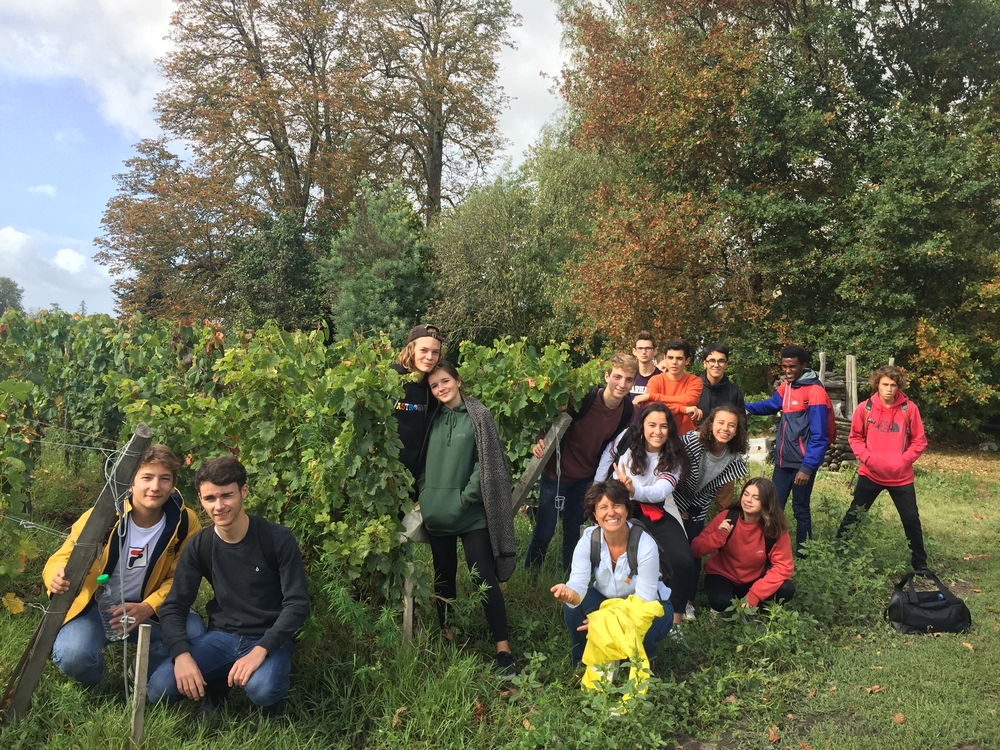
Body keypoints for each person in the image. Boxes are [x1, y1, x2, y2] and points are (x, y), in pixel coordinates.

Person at [147, 457, 310, 716]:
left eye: (227, 496)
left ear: (243, 492)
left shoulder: (276, 539)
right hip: (222, 636)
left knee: (263, 688)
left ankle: (271, 704)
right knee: (158, 689)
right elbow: (174, 606)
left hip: (269, 637)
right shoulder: (200, 545)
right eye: (210, 498)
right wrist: (181, 655)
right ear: (200, 500)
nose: (219, 506)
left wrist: (262, 649)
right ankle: (217, 686)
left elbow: (298, 604)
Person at [42, 445, 204, 687]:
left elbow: (183, 578)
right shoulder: (102, 516)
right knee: (73, 654)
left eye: (164, 479)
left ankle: (139, 673)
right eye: (147, 478)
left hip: (152, 609)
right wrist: (54, 574)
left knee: (194, 635)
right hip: (97, 606)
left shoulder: (184, 523)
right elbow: (63, 556)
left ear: (172, 485)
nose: (155, 487)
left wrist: (148, 607)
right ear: (130, 484)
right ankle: (101, 684)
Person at [419, 361, 518, 676]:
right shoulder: (431, 418)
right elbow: (420, 459)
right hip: (437, 514)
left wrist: (465, 498)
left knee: (483, 578)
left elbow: (486, 462)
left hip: (471, 513)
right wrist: (426, 493)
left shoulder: (479, 416)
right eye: (434, 386)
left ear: (458, 380)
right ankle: (448, 637)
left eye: (445, 381)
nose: (441, 389)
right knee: (443, 578)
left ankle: (503, 651)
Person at [524, 354, 638, 571]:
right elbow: (551, 420)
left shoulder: (627, 411)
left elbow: (610, 445)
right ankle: (530, 575)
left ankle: (570, 576)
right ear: (607, 376)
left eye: (629, 379)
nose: (622, 384)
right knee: (544, 531)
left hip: (585, 478)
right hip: (556, 474)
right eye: (617, 377)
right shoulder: (583, 397)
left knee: (573, 532)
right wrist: (540, 439)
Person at [551, 480, 673, 666]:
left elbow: (643, 602)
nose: (611, 512)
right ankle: (581, 663)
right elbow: (578, 585)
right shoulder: (589, 540)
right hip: (607, 601)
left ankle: (644, 665)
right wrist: (569, 593)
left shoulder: (645, 544)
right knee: (572, 607)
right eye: (603, 507)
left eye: (617, 505)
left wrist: (604, 624)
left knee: (644, 633)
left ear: (626, 509)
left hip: (651, 607)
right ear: (594, 514)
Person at [594, 403, 691, 626]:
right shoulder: (629, 445)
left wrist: (633, 489)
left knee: (683, 558)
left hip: (655, 508)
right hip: (624, 509)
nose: (658, 432)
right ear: (643, 427)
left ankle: (675, 619)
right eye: (652, 425)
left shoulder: (673, 456)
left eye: (664, 426)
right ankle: (617, 609)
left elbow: (661, 490)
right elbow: (611, 463)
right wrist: (600, 489)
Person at [837, 365, 929, 573]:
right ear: (877, 384)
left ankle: (920, 564)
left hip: (901, 477)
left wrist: (903, 461)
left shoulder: (909, 409)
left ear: (899, 387)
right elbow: (855, 437)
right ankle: (838, 552)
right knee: (855, 515)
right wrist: (867, 458)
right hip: (870, 473)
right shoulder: (865, 408)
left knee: (911, 520)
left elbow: (919, 441)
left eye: (893, 385)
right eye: (885, 384)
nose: (889, 389)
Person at [745, 345, 832, 553]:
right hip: (782, 462)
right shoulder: (786, 388)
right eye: (784, 366)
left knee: (800, 509)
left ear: (803, 365)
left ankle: (804, 553)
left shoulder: (815, 392)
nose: (787, 371)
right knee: (774, 507)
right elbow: (770, 405)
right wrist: (745, 406)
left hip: (802, 464)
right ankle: (769, 550)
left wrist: (808, 467)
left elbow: (820, 436)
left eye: (792, 366)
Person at [674, 405, 750, 620]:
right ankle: (664, 597)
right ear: (711, 424)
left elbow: (722, 491)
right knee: (672, 549)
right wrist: (678, 509)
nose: (725, 429)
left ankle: (688, 602)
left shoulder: (733, 456)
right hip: (673, 497)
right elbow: (667, 471)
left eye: (731, 425)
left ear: (737, 431)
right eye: (721, 423)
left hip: (699, 502)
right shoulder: (691, 442)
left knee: (694, 550)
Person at [690, 478, 795, 612]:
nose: (748, 500)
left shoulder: (774, 528)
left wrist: (755, 594)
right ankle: (724, 609)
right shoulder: (727, 517)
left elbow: (784, 567)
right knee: (721, 602)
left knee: (787, 589)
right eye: (746, 494)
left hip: (754, 579)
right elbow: (696, 549)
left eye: (756, 497)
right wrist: (718, 536)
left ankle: (754, 612)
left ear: (767, 502)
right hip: (722, 575)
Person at [391, 324, 444, 485]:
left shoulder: (432, 388)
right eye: (424, 350)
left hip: (413, 478)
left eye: (435, 352)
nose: (429, 357)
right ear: (411, 349)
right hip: (385, 472)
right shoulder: (392, 378)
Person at [633, 338, 703, 436]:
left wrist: (652, 396)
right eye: (670, 358)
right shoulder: (655, 380)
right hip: (658, 435)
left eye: (679, 358)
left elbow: (688, 401)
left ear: (687, 361)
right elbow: (651, 408)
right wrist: (683, 409)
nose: (674, 362)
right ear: (665, 358)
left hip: (685, 437)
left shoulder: (694, 381)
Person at [691, 344, 745, 425]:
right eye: (712, 361)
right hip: (696, 436)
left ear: (726, 364)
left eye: (721, 361)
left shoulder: (734, 392)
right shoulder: (692, 388)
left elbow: (741, 426)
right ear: (705, 363)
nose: (716, 365)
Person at [630, 332, 659, 402]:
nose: (643, 352)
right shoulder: (628, 376)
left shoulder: (662, 378)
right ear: (634, 351)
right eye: (640, 348)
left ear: (655, 351)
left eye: (648, 348)